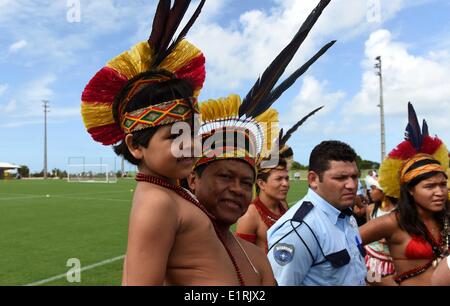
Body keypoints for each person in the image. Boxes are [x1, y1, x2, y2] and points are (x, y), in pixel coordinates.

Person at [81, 0, 240, 285]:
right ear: (134, 145)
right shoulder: (157, 202)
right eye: (175, 136)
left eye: (193, 133)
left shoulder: (168, 192)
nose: (190, 145)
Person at [188, 0, 334, 284]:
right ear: (193, 179)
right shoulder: (169, 253)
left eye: (246, 182)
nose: (237, 189)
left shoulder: (256, 261)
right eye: (226, 176)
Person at [360, 103, 450, 286]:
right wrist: (378, 280)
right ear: (410, 189)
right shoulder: (392, 222)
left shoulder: (446, 218)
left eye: (443, 184)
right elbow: (340, 250)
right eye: (429, 186)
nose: (439, 192)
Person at [267, 140, 367, 285]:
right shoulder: (299, 230)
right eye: (340, 178)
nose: (352, 185)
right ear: (313, 180)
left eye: (355, 176)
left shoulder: (346, 216)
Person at [235, 108, 323, 252]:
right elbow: (244, 259)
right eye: (279, 179)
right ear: (261, 184)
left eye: (287, 178)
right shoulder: (250, 215)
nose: (285, 184)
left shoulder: (282, 204)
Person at [364, 177, 397, 286]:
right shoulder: (370, 209)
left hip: (392, 260)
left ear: (384, 191)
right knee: (372, 282)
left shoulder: (399, 211)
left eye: (373, 189)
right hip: (372, 258)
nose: (370, 192)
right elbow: (367, 232)